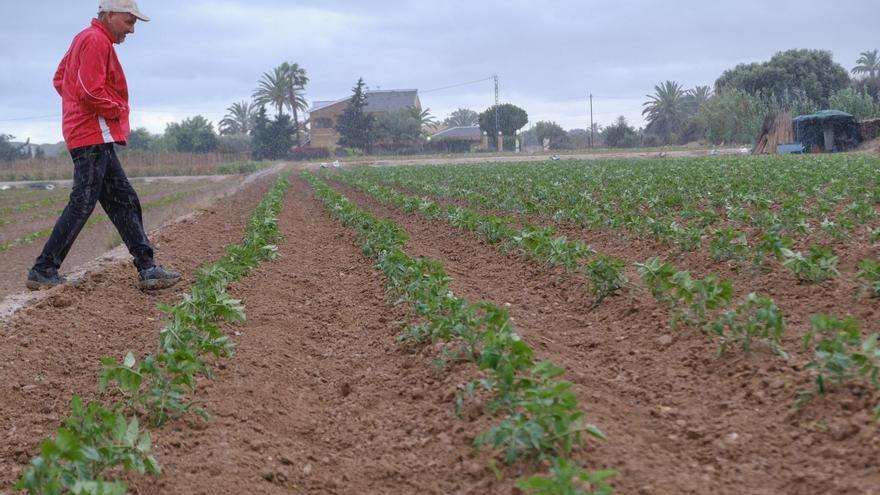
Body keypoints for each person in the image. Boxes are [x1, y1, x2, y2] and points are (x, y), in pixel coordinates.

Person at [26, 0, 180, 291]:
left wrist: (78, 106)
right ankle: (43, 268)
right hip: (91, 136)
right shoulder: (96, 40)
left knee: (124, 200)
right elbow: (87, 89)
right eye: (129, 22)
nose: (132, 30)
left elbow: (61, 79)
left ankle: (147, 268)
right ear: (109, 15)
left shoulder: (84, 39)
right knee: (83, 202)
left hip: (93, 135)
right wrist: (116, 110)